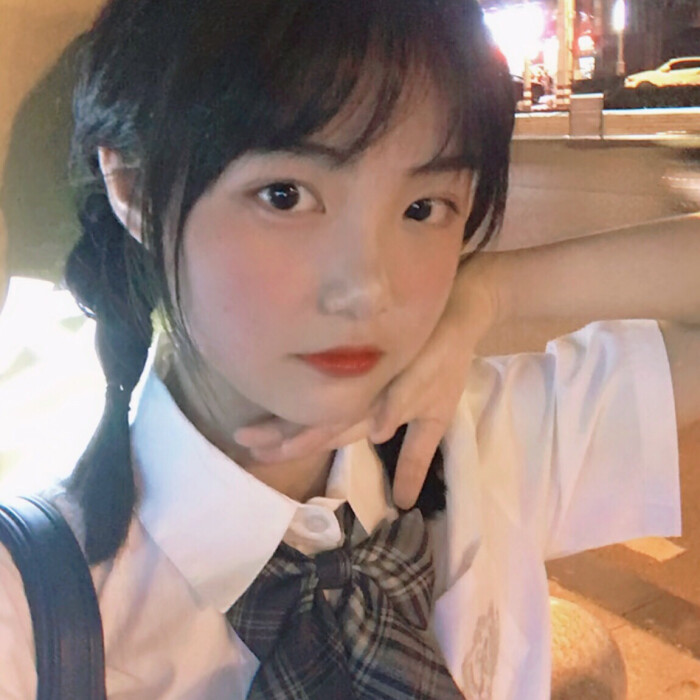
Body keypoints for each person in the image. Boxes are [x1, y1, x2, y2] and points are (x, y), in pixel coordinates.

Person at [0, 0, 699, 698]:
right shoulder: (29, 612)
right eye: (284, 195)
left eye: (423, 208)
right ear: (133, 186)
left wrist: (494, 291)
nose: (367, 289)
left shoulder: (477, 439)